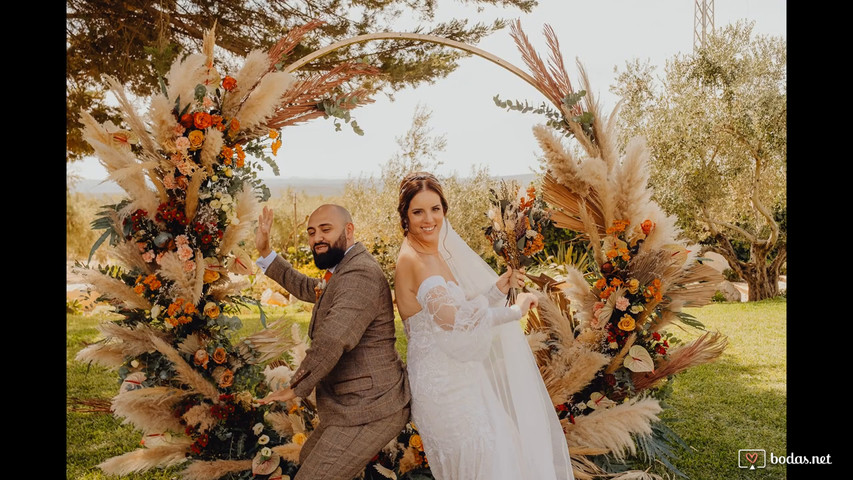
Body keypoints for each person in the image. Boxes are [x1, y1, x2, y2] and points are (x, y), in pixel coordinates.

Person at [394, 172, 574, 480]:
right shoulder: (414, 260)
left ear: (444, 210)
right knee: (481, 461)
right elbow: (454, 321)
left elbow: (458, 307)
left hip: (464, 377)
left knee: (498, 456)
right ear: (405, 217)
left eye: (435, 209)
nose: (429, 219)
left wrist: (496, 291)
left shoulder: (434, 251)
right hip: (443, 389)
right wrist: (515, 312)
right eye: (418, 211)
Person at [254, 204, 411, 480]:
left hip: (371, 408)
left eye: (326, 229)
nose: (317, 238)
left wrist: (296, 385)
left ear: (349, 230)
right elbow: (307, 287)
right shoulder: (343, 269)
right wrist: (266, 253)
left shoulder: (359, 274)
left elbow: (333, 337)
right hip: (349, 405)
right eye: (312, 232)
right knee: (306, 459)